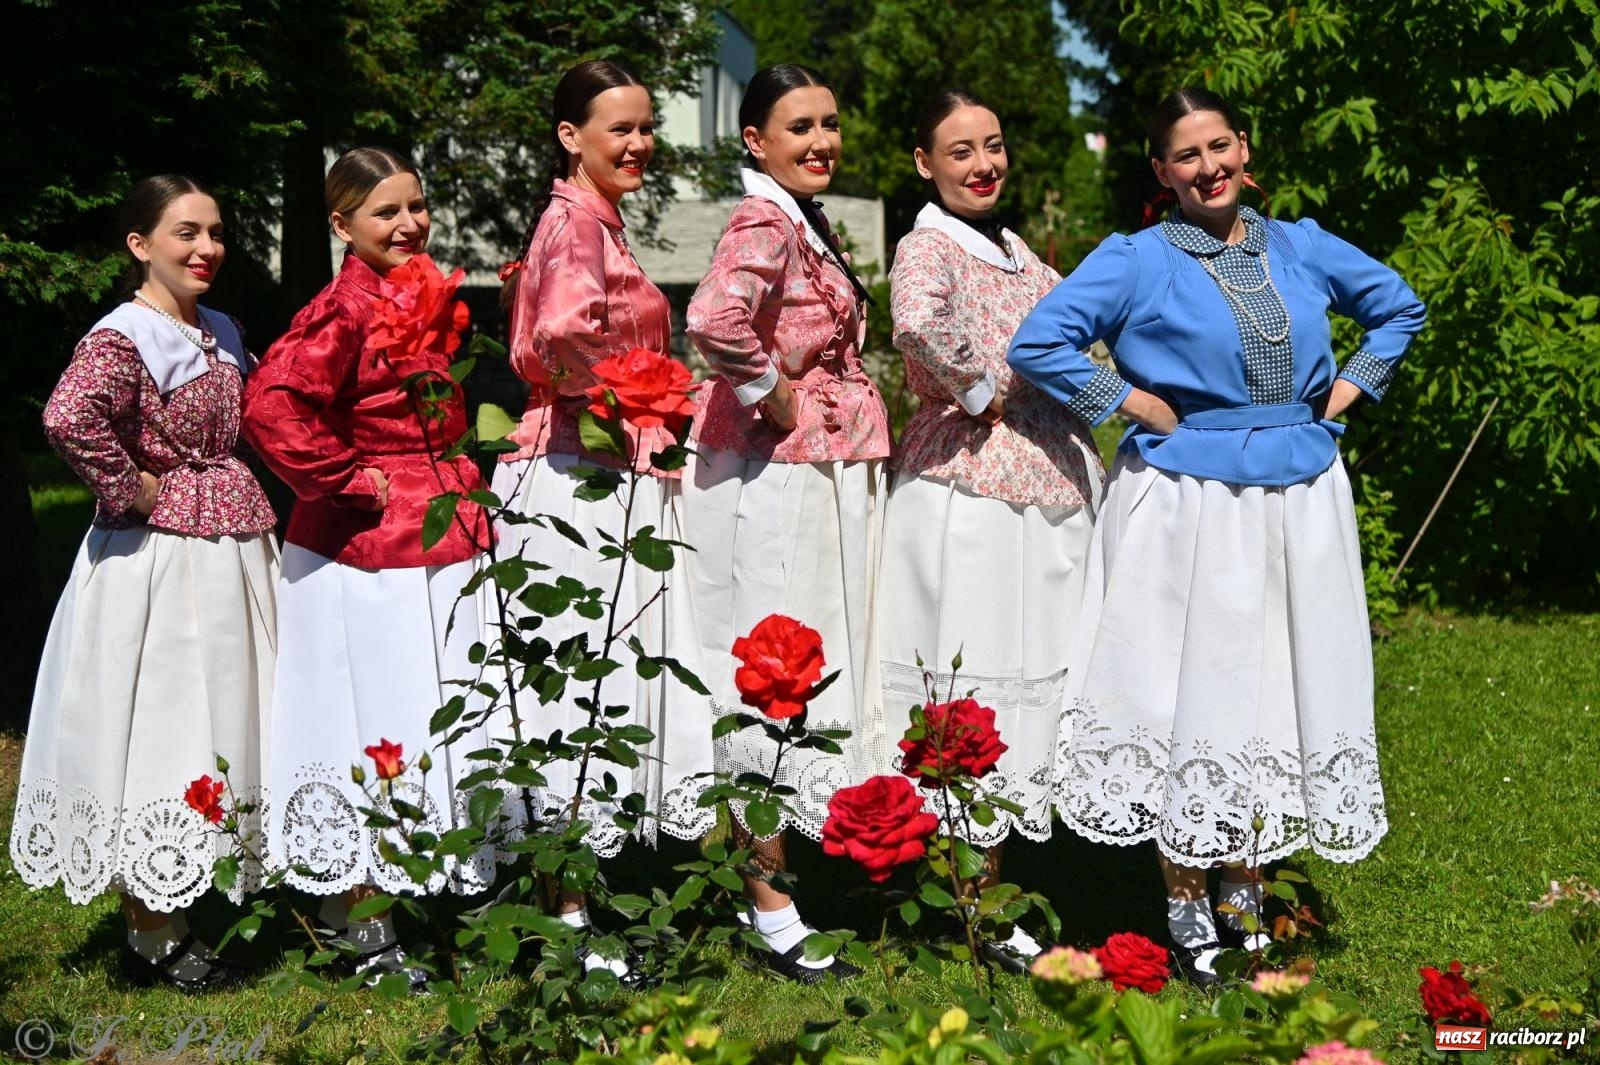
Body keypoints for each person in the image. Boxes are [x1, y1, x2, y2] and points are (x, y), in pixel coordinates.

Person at [1007, 87, 1426, 985]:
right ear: (1161, 172)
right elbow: (1041, 342)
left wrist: (1346, 393)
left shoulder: (1301, 245)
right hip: (1186, 503)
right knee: (1184, 694)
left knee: (1272, 687)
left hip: (1302, 496)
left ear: (1246, 147)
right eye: (1187, 156)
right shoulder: (1137, 258)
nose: (1210, 168)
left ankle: (1247, 898)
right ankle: (1186, 909)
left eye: (1221, 146)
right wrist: (1132, 401)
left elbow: (1400, 310)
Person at [9, 175, 278, 990]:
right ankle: (151, 922)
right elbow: (66, 417)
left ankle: (209, 873)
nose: (207, 249)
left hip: (233, 551)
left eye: (217, 232)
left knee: (226, 718)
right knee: (161, 722)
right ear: (140, 245)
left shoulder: (219, 328)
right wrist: (136, 487)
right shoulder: (125, 335)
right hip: (156, 567)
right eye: (185, 233)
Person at [244, 147, 497, 986]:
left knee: (427, 723)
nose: (408, 224)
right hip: (368, 555)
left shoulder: (419, 292)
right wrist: (350, 479)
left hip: (437, 538)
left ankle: (408, 887)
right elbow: (272, 406)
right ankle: (360, 915)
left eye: (416, 206)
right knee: (366, 727)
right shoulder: (343, 308)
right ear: (341, 224)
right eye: (385, 212)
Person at [491, 59, 710, 979]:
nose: (638, 143)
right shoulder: (576, 221)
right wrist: (635, 394)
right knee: (575, 683)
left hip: (601, 454)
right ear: (569, 138)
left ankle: (577, 898)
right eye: (617, 128)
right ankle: (569, 913)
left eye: (647, 126)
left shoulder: (591, 220)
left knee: (596, 679)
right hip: (575, 462)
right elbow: (558, 336)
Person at [880, 90, 1104, 971]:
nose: (983, 165)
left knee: (1030, 668)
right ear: (924, 164)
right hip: (969, 486)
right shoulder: (926, 244)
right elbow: (918, 324)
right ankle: (970, 897)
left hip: (1043, 480)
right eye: (961, 151)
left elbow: (1077, 337)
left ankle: (1002, 878)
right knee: (978, 672)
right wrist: (988, 393)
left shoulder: (1015, 252)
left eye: (994, 147)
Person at [683, 63, 891, 983]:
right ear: (754, 141)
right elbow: (715, 317)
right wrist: (769, 393)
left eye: (830, 123)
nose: (821, 141)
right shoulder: (764, 218)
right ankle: (767, 899)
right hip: (777, 474)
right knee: (776, 666)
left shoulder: (798, 217)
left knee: (805, 663)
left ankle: (789, 868)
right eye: (798, 127)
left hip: (815, 467)